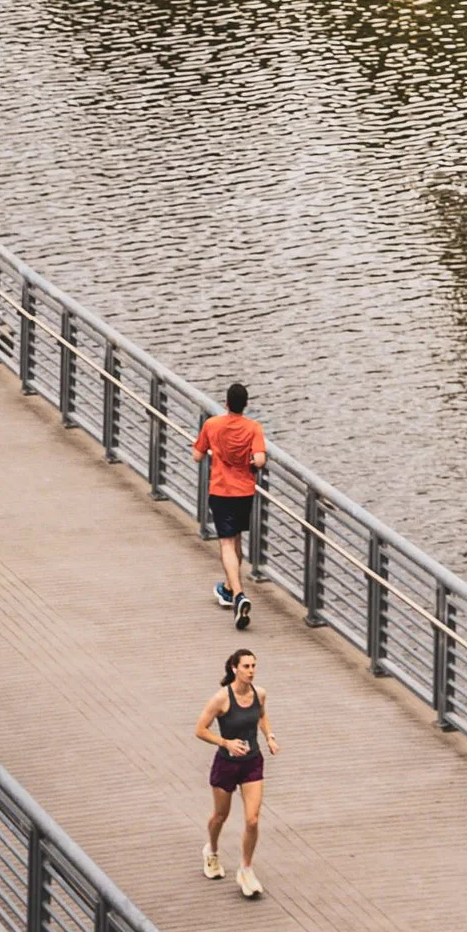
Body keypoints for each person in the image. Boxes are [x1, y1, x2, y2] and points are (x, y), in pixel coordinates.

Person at [195, 645, 274, 897]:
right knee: (220, 815)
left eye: (253, 666)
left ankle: (246, 869)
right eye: (246, 667)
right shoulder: (221, 698)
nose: (251, 671)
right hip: (226, 764)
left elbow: (261, 715)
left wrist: (269, 736)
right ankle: (212, 850)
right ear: (234, 668)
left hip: (252, 762)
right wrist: (226, 743)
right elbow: (200, 729)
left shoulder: (259, 693)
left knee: (252, 819)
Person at [192, 381, 268, 628]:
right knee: (236, 541)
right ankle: (227, 588)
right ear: (245, 405)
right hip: (244, 491)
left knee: (226, 542)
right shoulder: (253, 428)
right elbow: (259, 459)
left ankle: (238, 595)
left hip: (221, 490)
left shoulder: (212, 425)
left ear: (226, 403)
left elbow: (197, 455)